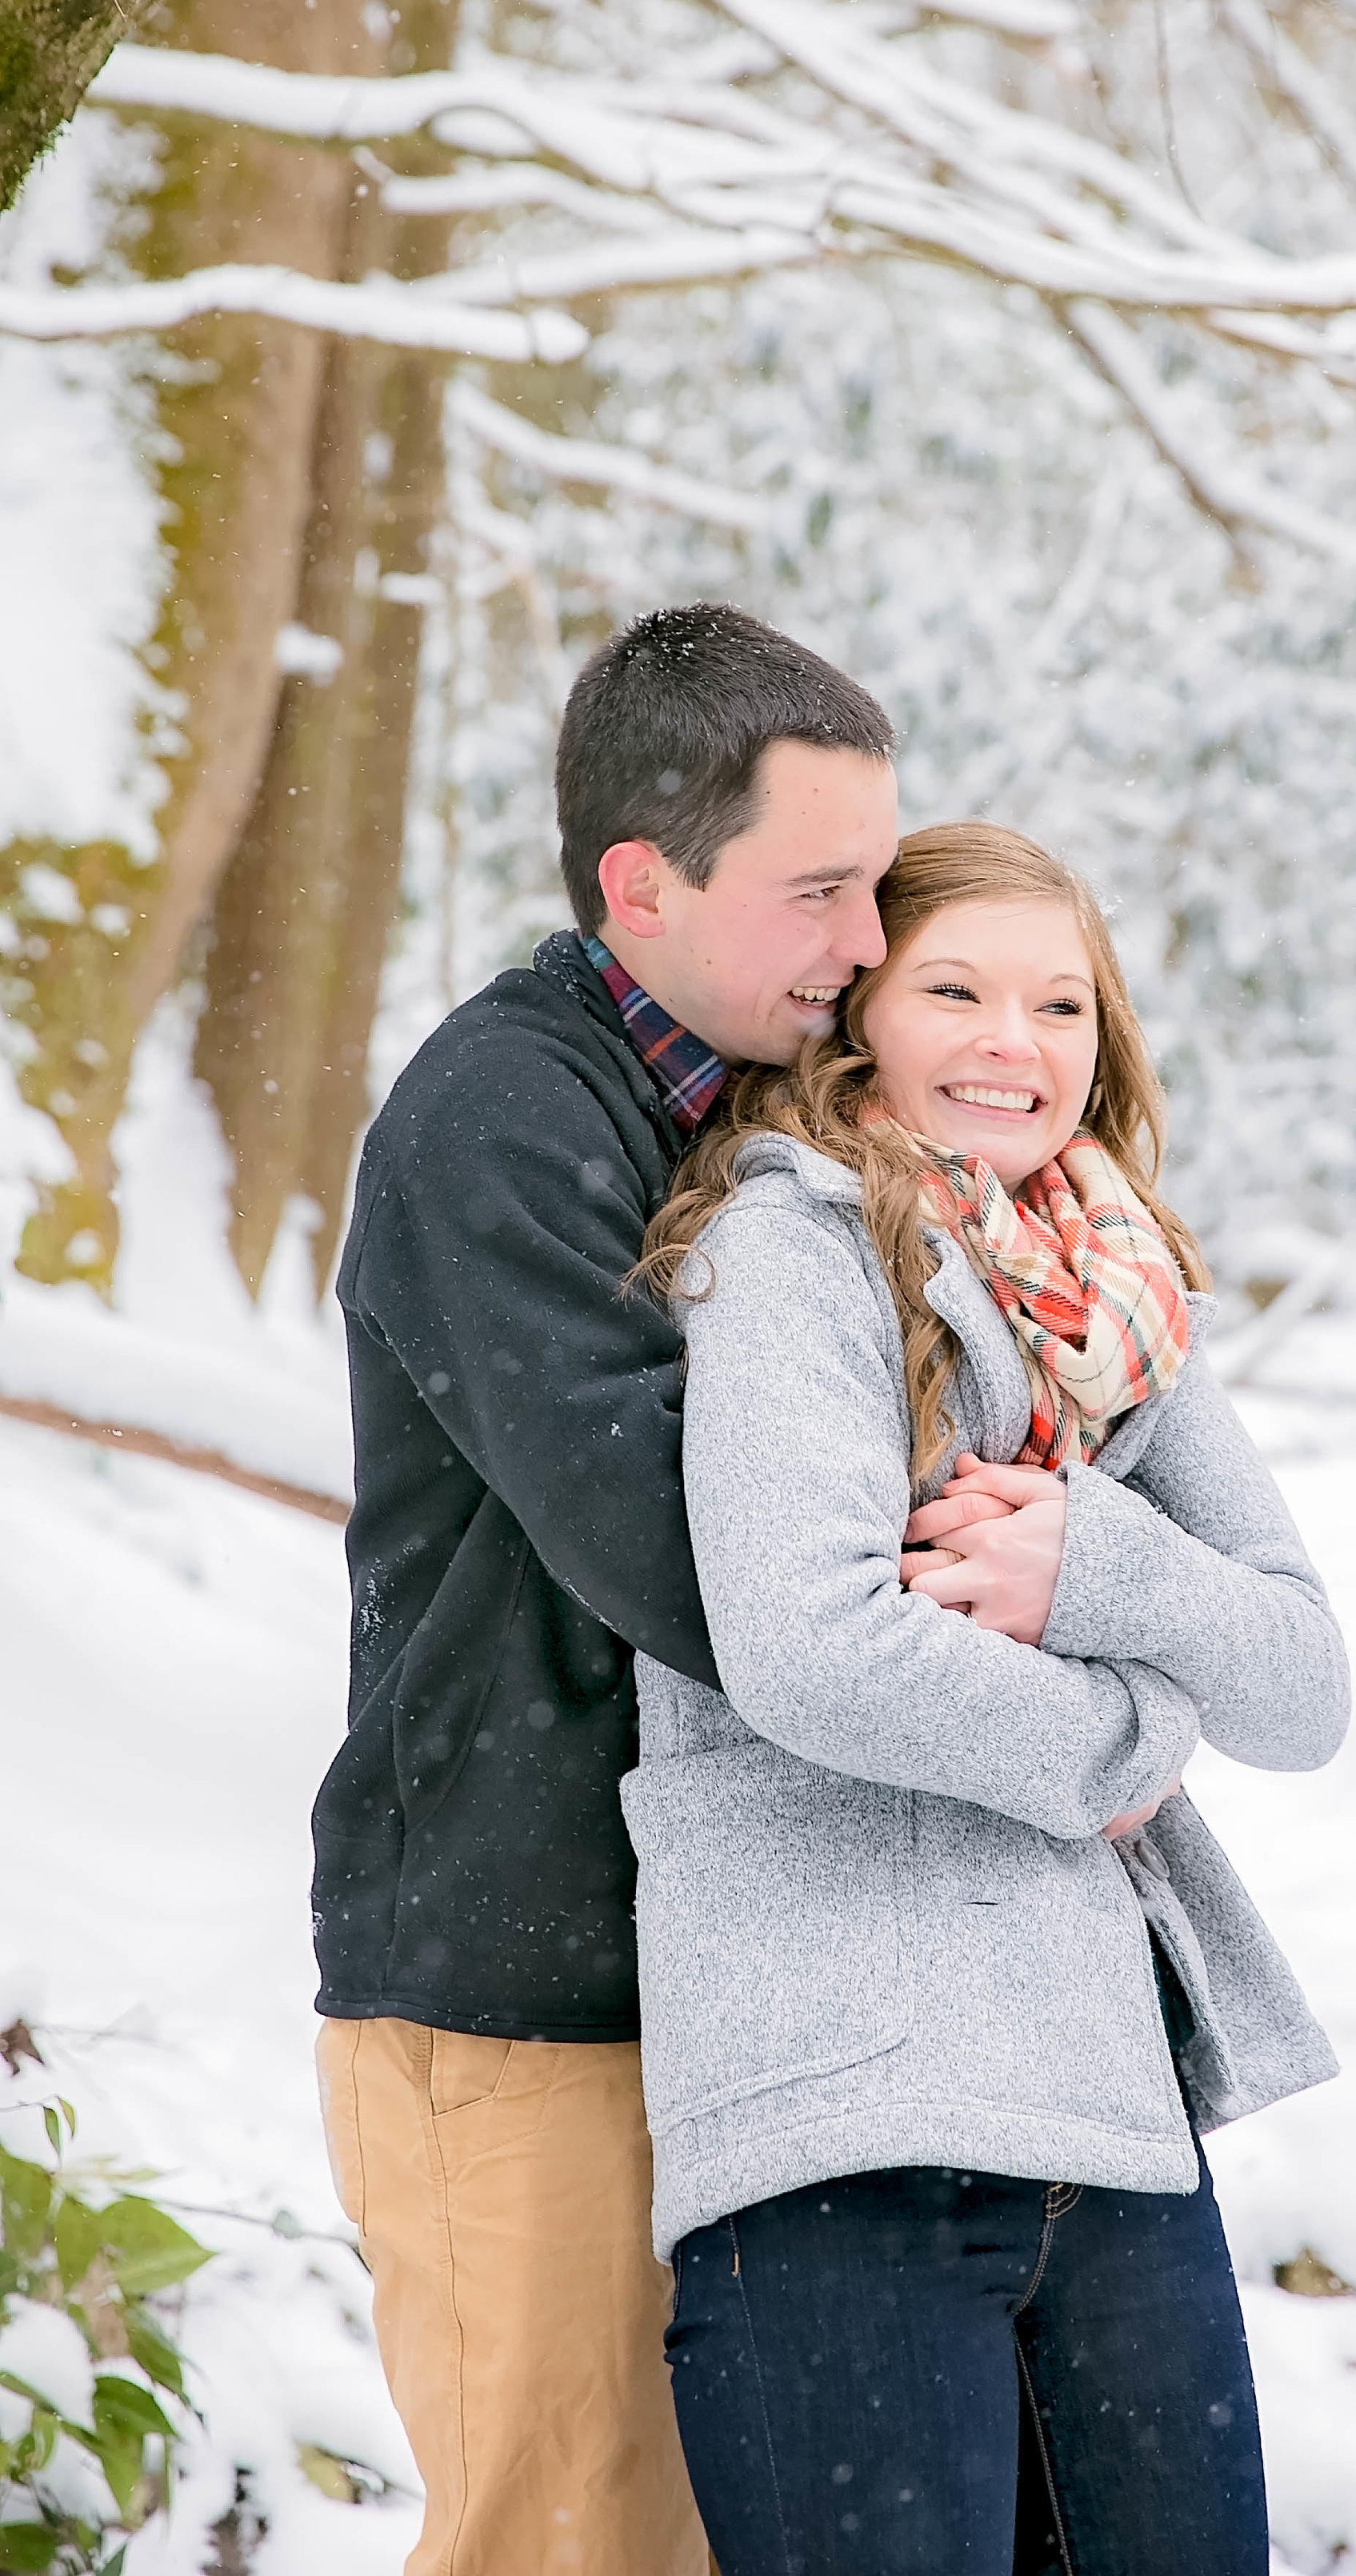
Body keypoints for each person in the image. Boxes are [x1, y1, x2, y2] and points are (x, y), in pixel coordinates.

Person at [630, 820, 1350, 2575]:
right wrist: (1126, 1732)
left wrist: (1095, 1563)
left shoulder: (1116, 1301)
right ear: (858, 1008)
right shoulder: (783, 1250)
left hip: (1104, 2128)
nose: (1009, 1046)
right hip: (837, 2102)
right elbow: (817, 1650)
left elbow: (1301, 1679)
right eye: (953, 988)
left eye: (1059, 1006)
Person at [310, 604, 898, 2576]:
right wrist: (1025, 1642)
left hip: (723, 1980)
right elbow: (698, 1555)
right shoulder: (501, 1120)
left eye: (880, 883)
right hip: (516, 1994)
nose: (871, 947)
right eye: (820, 890)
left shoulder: (756, 1111)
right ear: (639, 884)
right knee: (566, 2548)